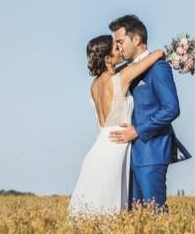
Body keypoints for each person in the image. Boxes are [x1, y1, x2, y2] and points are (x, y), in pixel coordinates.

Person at [68, 35, 165, 217]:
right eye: (116, 48)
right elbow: (152, 57)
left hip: (100, 144)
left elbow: (120, 68)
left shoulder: (95, 84)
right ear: (107, 58)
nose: (120, 49)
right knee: (109, 207)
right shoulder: (122, 78)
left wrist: (118, 64)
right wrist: (165, 52)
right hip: (116, 145)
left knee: (95, 204)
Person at [108, 14, 191, 212]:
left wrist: (137, 131)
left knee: (154, 212)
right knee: (133, 216)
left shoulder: (158, 67)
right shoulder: (127, 70)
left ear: (136, 39)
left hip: (151, 152)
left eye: (120, 41)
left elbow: (171, 108)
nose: (118, 47)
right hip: (127, 154)